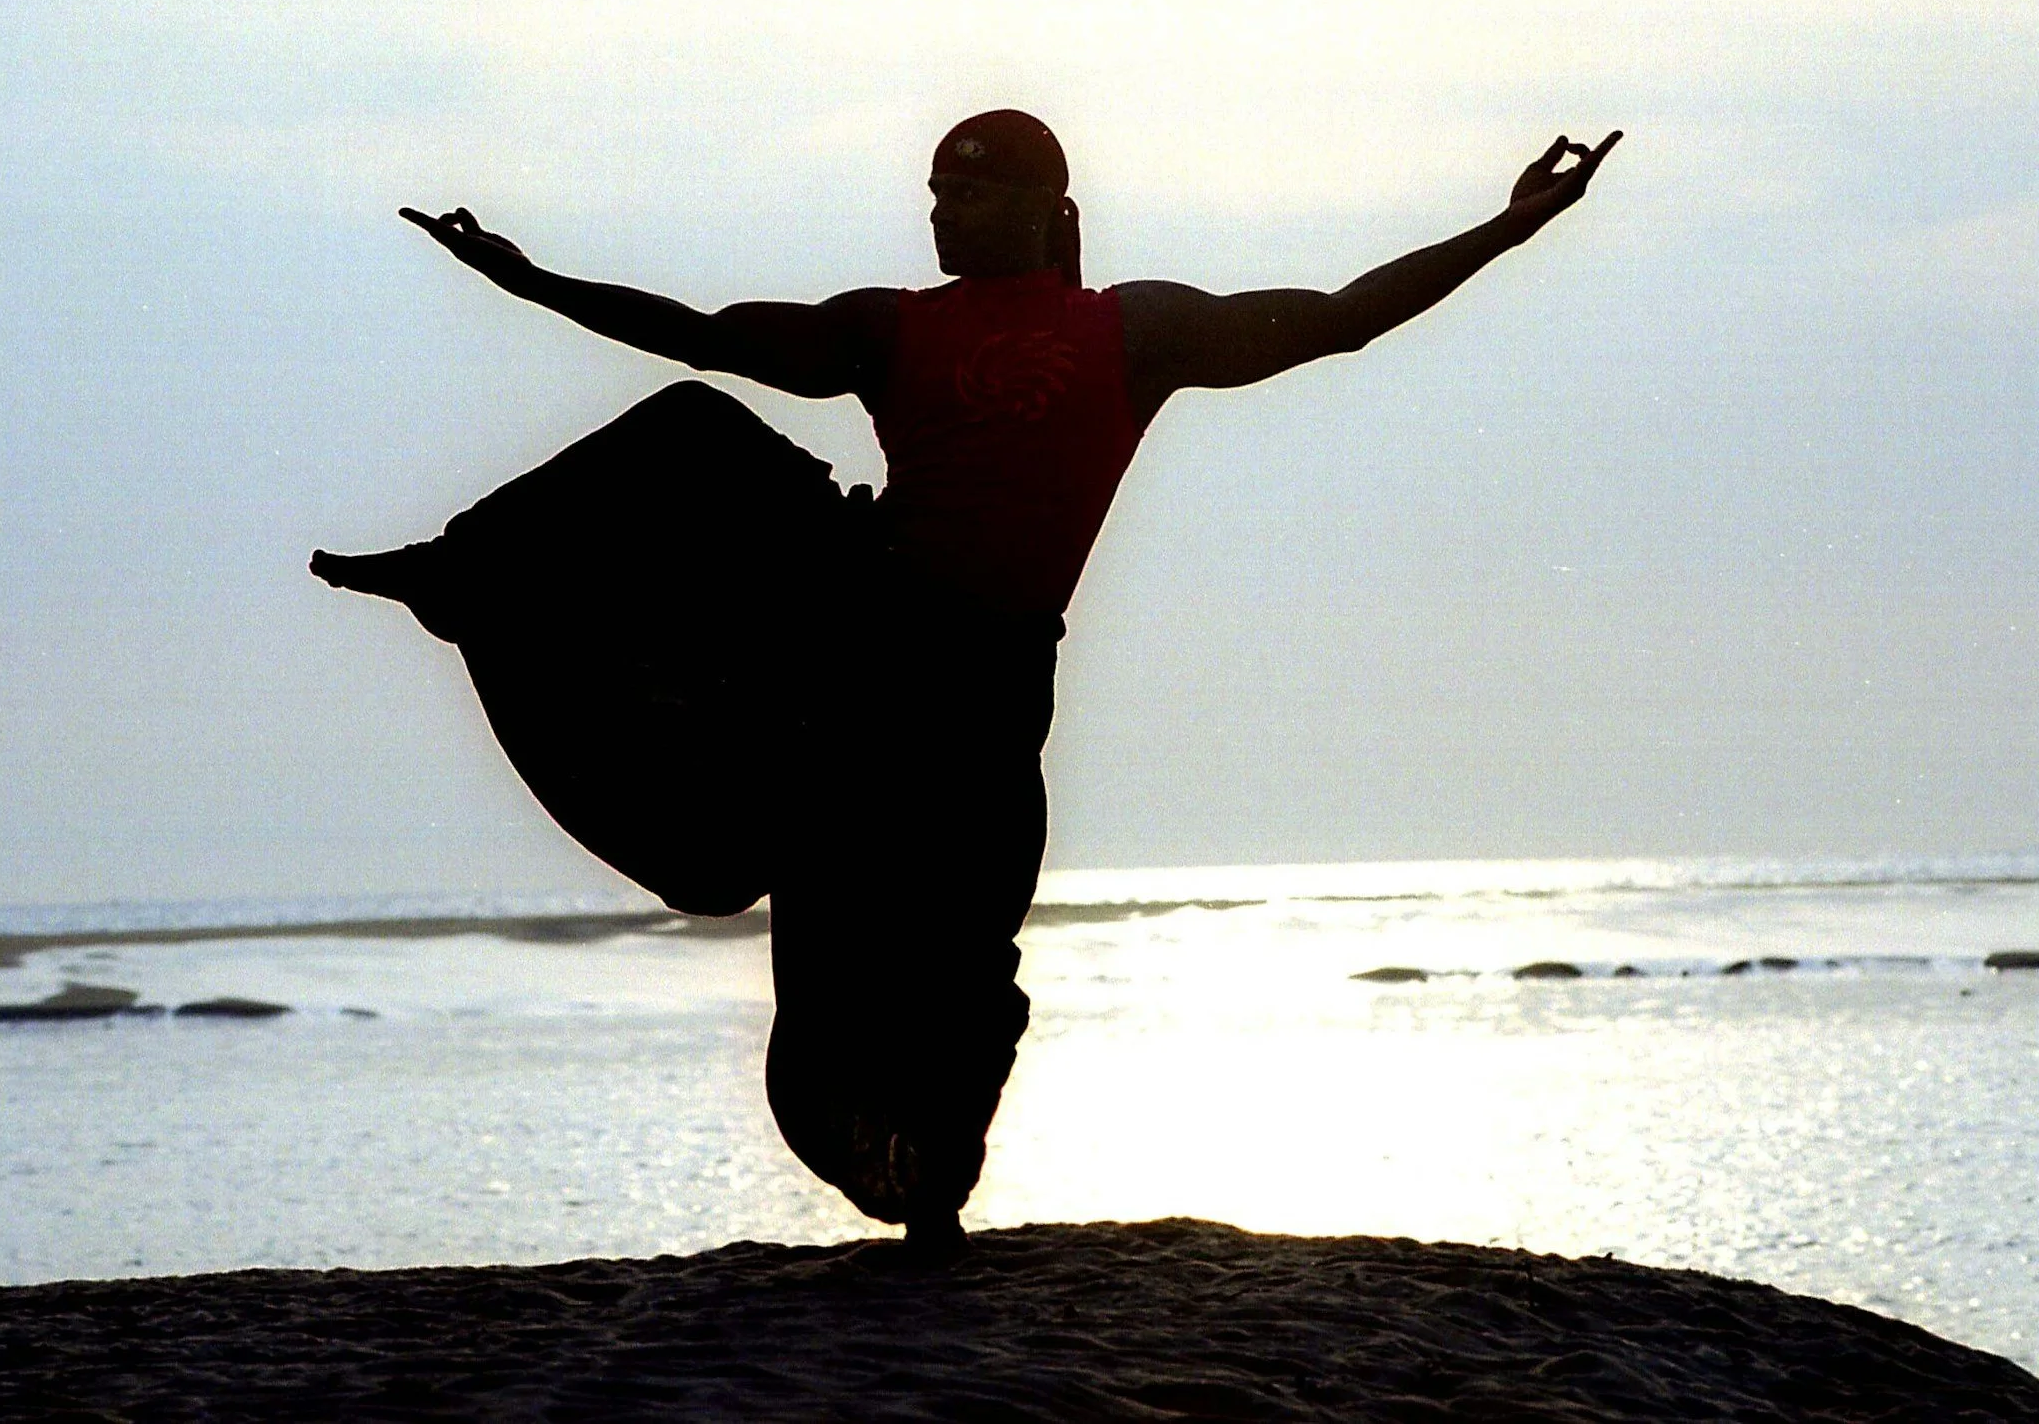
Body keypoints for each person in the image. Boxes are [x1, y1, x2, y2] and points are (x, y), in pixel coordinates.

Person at [316, 110, 1619, 1259]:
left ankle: (931, 1191)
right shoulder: (892, 328)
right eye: (935, 189)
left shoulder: (1132, 331)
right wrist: (528, 278)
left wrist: (1508, 226)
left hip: (993, 689)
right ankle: (466, 567)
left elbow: (1337, 320)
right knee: (694, 425)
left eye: (972, 189)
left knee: (970, 973)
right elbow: (708, 333)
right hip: (856, 643)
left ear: (1050, 210)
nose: (944, 208)